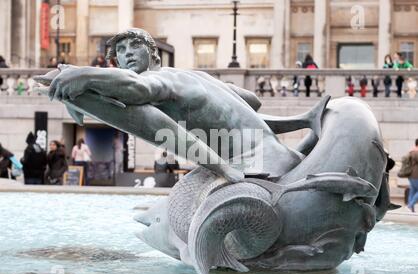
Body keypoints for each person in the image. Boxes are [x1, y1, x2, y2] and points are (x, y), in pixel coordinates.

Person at [45, 28, 306, 181]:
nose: (127, 53)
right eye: (121, 51)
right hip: (286, 158)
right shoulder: (197, 76)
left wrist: (84, 75)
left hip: (260, 171)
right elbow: (253, 101)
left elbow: (137, 90)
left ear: (153, 53)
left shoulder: (156, 80)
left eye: (135, 46)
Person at [407, 139, 418, 212]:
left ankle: (411, 209)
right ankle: (410, 205)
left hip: (410, 174)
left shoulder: (410, 152)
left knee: (413, 190)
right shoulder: (417, 152)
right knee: (414, 190)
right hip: (416, 174)